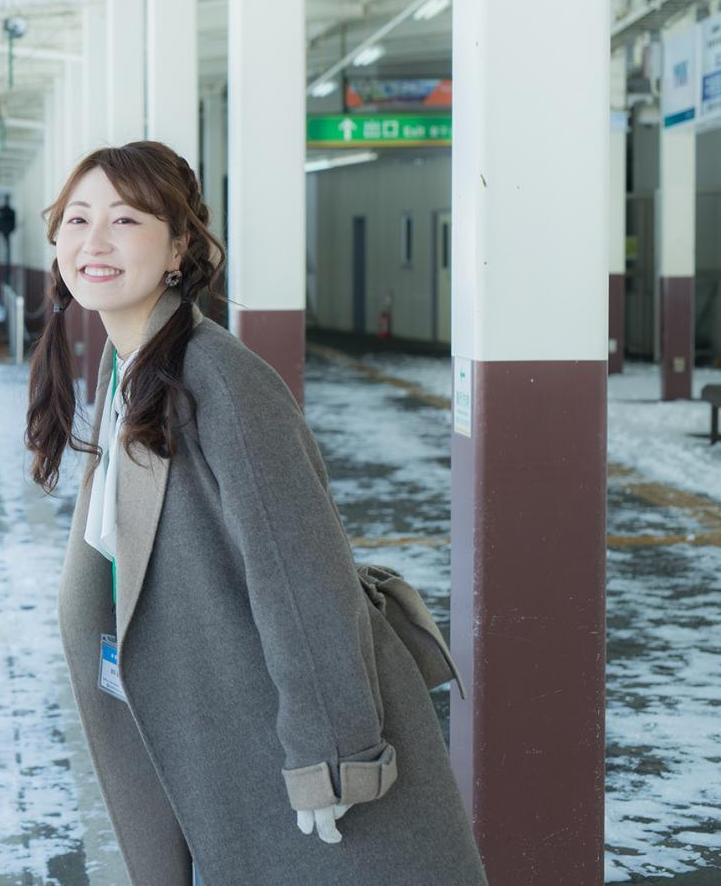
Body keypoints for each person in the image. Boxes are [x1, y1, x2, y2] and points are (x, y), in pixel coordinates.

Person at [24, 141, 489, 886]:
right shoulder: (128, 368)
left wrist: (331, 755)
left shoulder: (220, 379)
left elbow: (302, 577)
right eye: (77, 220)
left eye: (126, 219)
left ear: (179, 246)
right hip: (199, 736)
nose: (94, 242)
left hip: (267, 746)